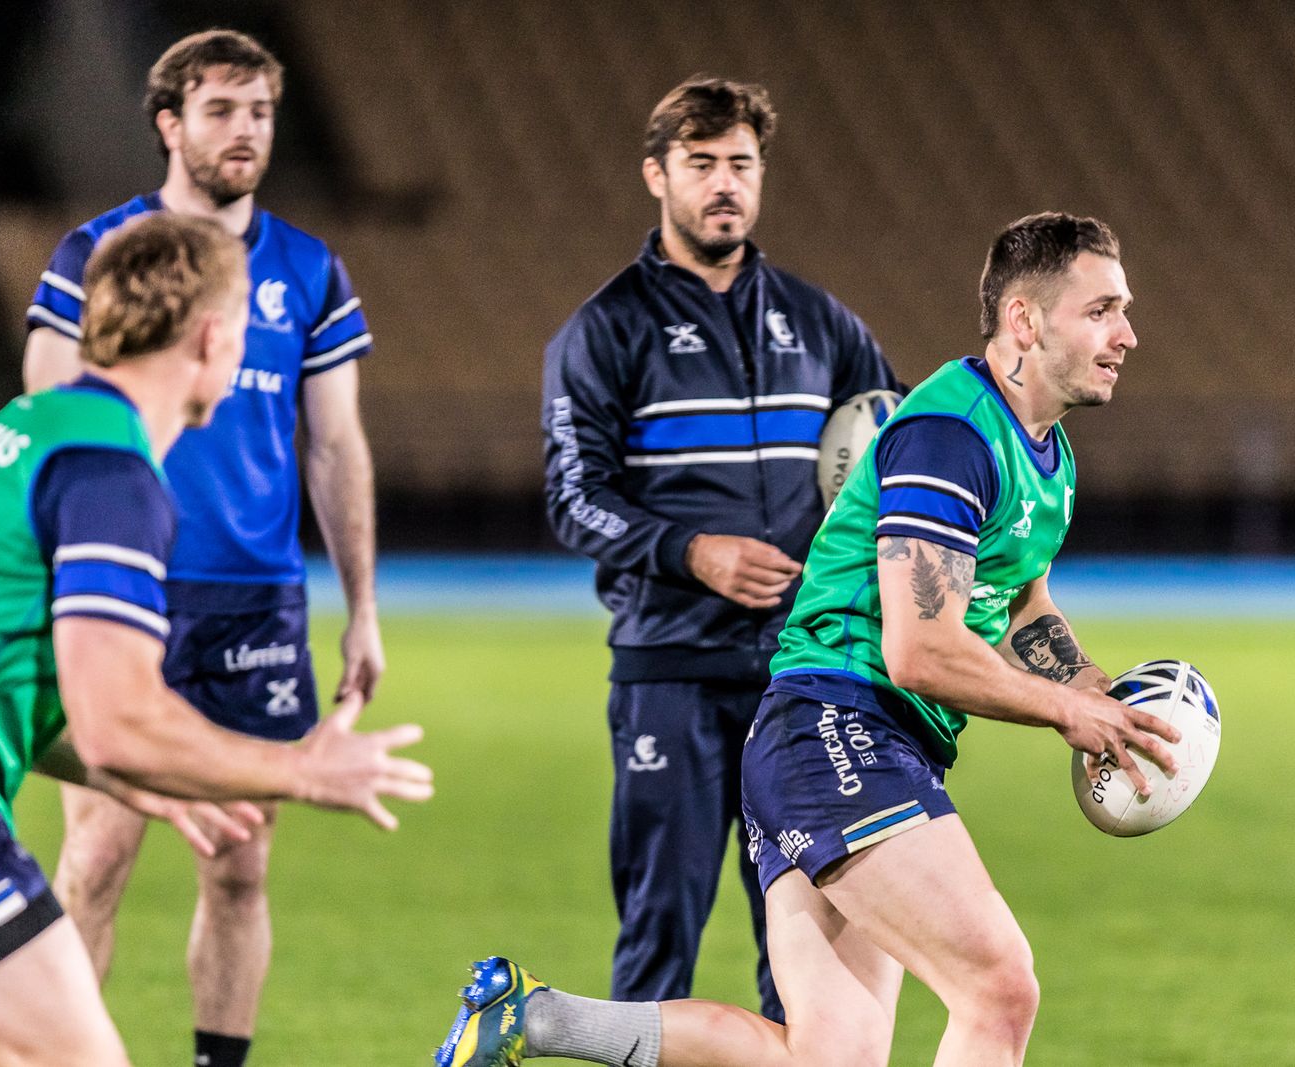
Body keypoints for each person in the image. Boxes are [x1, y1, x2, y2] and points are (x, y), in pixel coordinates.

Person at [441, 212, 1181, 1067]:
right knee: (1000, 984)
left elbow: (1020, 599)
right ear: (1024, 319)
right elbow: (920, 650)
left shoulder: (1046, 455)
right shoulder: (951, 435)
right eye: (1102, 310)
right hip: (842, 729)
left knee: (829, 1057)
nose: (1127, 333)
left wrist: (1087, 684)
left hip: (829, 743)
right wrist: (1064, 713)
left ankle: (534, 1018)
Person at [0, 213, 431, 1067]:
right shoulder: (109, 474)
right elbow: (119, 721)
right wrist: (300, 766)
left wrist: (156, 783)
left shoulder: (16, 434)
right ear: (211, 335)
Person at [21, 30, 382, 1067]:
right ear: (169, 124)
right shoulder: (95, 252)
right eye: (221, 109)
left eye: (261, 111)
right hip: (118, 586)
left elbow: (336, 442)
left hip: (256, 604)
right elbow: (46, 409)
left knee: (239, 863)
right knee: (94, 854)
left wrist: (360, 604)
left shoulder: (308, 268)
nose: (245, 131)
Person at [541, 76, 898, 1024]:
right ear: (657, 174)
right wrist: (692, 550)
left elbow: (888, 456)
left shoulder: (823, 324)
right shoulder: (606, 328)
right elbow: (574, 497)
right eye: (701, 164)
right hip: (671, 668)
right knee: (661, 930)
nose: (724, 183)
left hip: (803, 674)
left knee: (807, 939)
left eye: (741, 163)